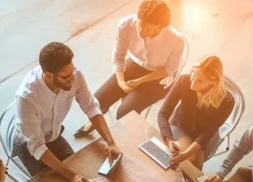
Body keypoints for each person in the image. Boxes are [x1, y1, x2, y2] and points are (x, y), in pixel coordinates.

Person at [13, 42, 122, 182]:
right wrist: (72, 176)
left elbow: (91, 107)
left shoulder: (74, 75)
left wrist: (110, 142)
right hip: (29, 145)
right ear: (48, 75)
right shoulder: (27, 97)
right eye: (66, 76)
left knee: (82, 177)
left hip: (53, 135)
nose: (72, 78)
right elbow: (37, 146)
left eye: (72, 71)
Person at [74, 0, 185, 137]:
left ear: (159, 27)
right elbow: (118, 55)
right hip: (136, 64)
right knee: (96, 101)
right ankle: (97, 120)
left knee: (125, 112)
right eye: (141, 25)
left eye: (148, 29)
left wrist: (138, 81)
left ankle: (122, 137)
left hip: (159, 77)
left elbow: (168, 70)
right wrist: (120, 81)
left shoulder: (176, 40)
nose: (142, 31)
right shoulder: (126, 24)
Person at [158, 55, 235, 171]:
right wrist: (169, 141)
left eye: (199, 80)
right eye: (193, 74)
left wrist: (186, 154)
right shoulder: (184, 81)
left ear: (213, 82)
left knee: (195, 167)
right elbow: (163, 114)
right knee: (191, 161)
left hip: (203, 136)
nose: (192, 81)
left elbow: (208, 133)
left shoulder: (227, 101)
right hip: (179, 125)